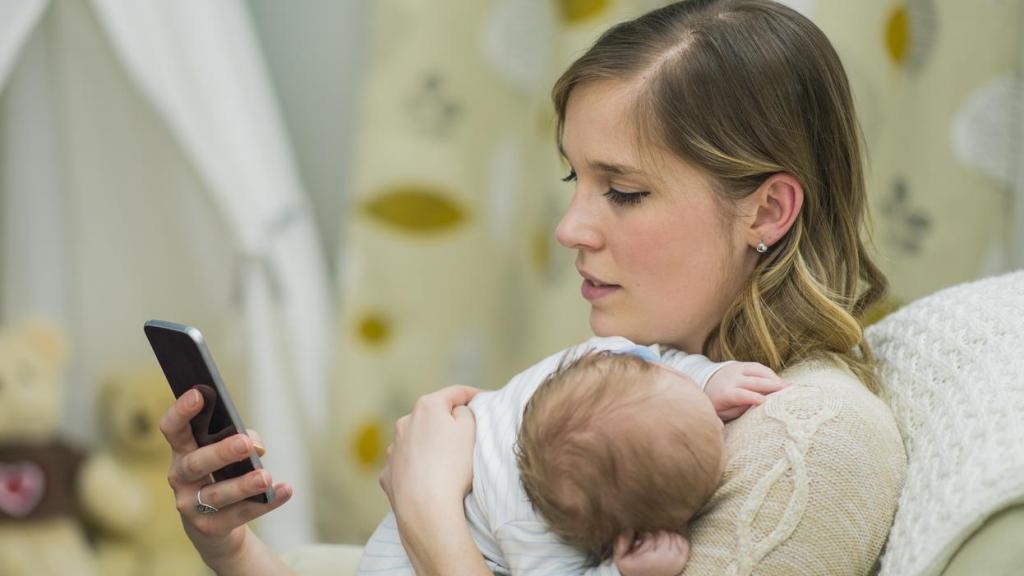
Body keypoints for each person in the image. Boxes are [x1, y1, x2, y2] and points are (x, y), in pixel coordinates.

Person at [156, 0, 906, 574]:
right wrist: (231, 549)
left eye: (625, 191)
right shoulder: (626, 384)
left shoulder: (812, 448)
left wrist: (428, 511)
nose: (570, 228)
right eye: (574, 180)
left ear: (767, 210)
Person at [358, 336, 787, 575]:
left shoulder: (598, 372)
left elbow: (661, 369)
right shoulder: (529, 528)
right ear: (627, 535)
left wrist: (708, 377)